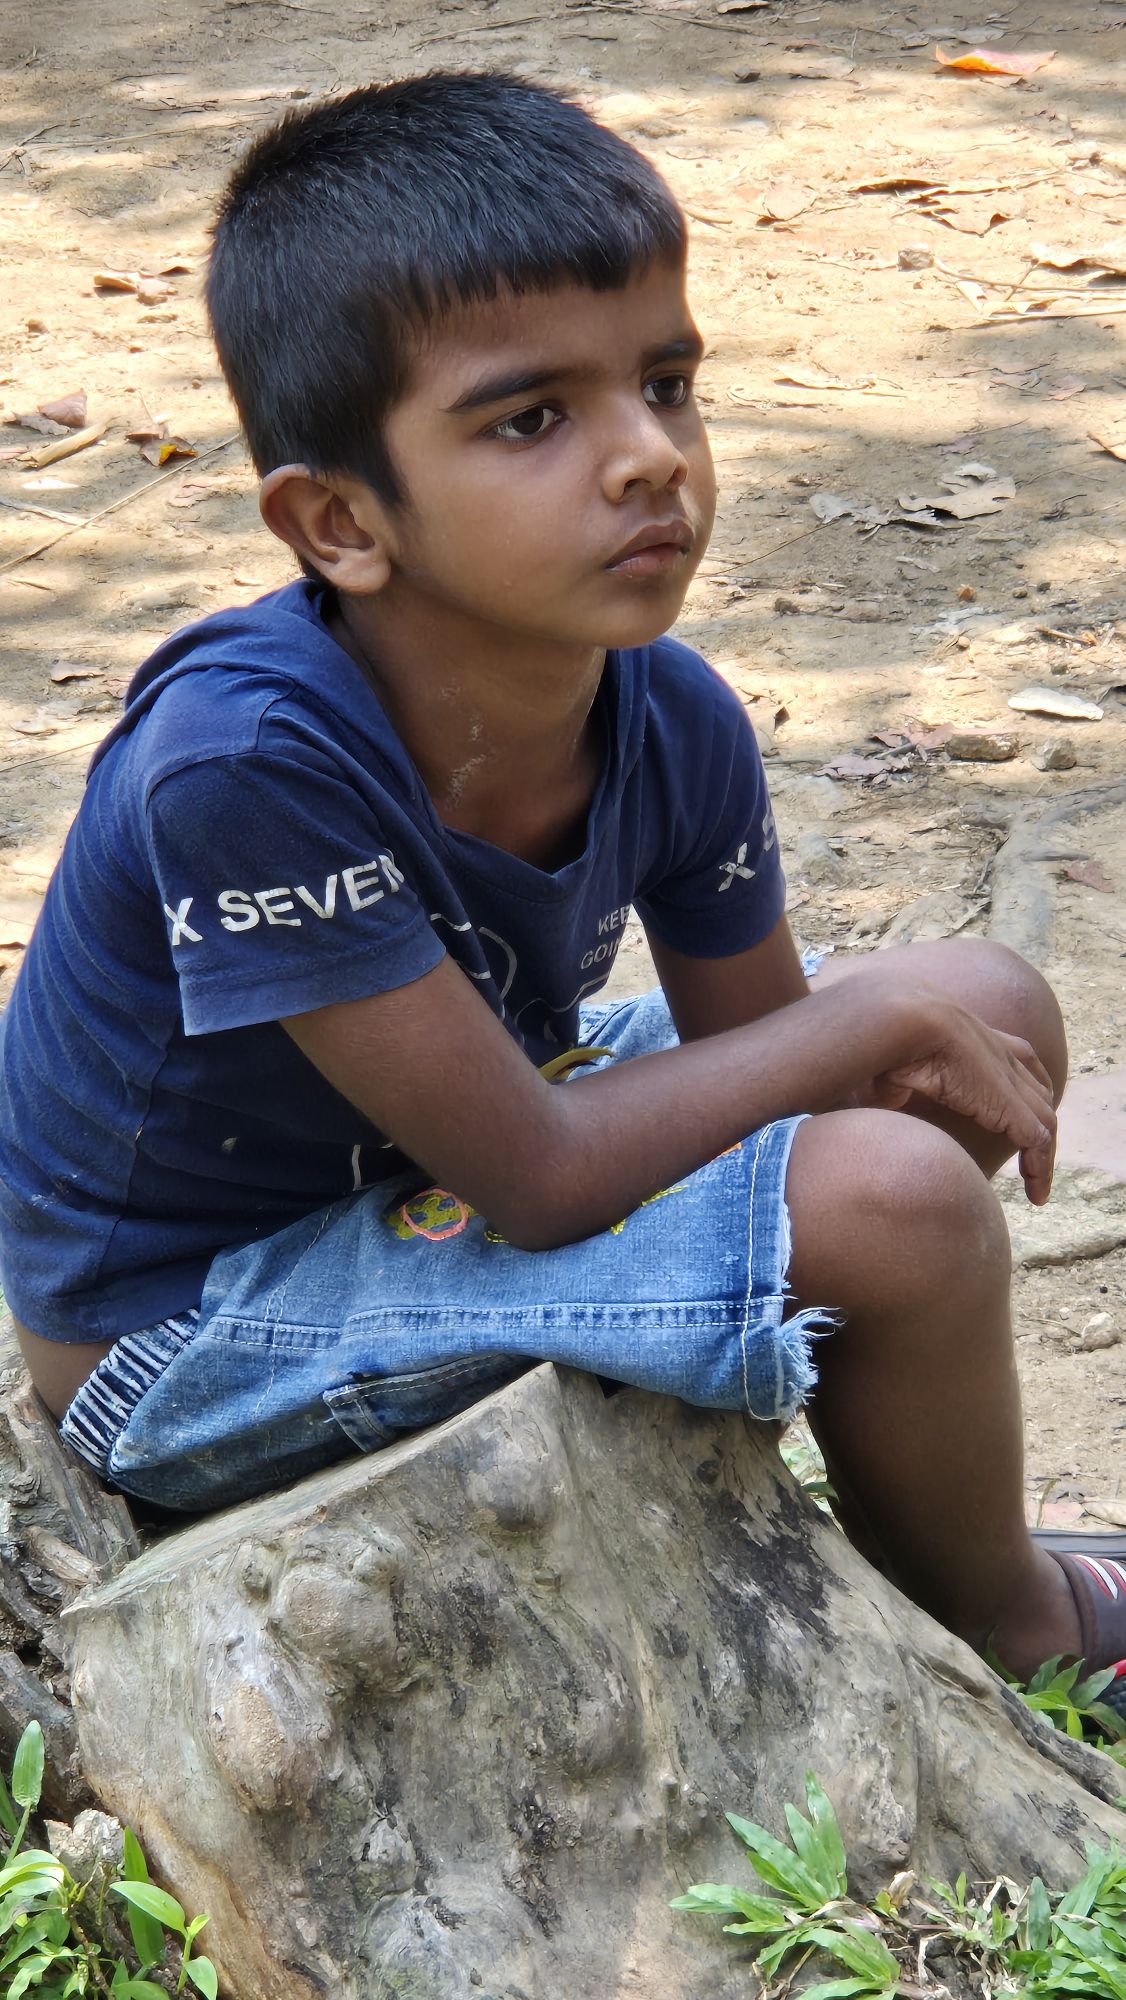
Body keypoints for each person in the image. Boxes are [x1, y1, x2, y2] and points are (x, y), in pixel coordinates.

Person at [0, 72, 1121, 1706]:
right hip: (190, 1338)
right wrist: (864, 1032)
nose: (647, 457)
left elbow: (772, 1074)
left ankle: (912, 1540)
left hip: (442, 1168)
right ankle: (1015, 1626)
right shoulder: (243, 764)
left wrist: (877, 1033)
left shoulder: (667, 712)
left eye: (664, 384)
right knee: (890, 1186)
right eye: (532, 419)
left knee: (979, 1005)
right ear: (339, 522)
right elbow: (539, 1178)